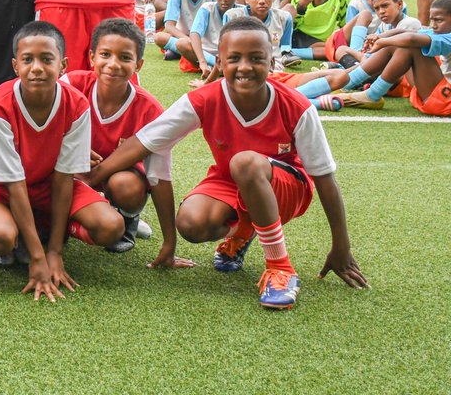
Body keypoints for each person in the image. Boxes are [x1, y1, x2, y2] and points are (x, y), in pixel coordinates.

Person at [88, 17, 369, 310]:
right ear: (220, 62)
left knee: (245, 163)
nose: (245, 66)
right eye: (234, 58)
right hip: (232, 181)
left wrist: (341, 245)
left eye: (256, 58)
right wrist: (93, 179)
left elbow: (324, 178)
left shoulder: (296, 106)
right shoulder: (204, 99)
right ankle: (244, 231)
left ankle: (280, 268)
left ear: (272, 62)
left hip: (288, 188)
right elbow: (144, 142)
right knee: (191, 223)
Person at [0, 21, 124, 301]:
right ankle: (21, 238)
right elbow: (14, 184)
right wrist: (39, 259)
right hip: (5, 188)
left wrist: (55, 252)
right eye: (28, 60)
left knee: (111, 226)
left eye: (47, 59)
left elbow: (65, 178)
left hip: (50, 184)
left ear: (63, 65)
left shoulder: (76, 105)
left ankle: (51, 234)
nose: (37, 68)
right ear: (16, 66)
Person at [62, 19, 187, 263]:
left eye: (125, 58)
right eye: (105, 54)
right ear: (91, 57)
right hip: (71, 171)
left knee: (125, 184)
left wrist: (169, 242)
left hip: (117, 181)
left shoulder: (149, 109)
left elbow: (159, 175)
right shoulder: (71, 85)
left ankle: (127, 218)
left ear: (138, 64)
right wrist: (68, 146)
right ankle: (71, 219)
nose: (113, 64)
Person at [299, 0, 437, 113]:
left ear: (399, 4)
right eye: (377, 8)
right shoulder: (385, 25)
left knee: (398, 45)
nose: (381, 11)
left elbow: (409, 37)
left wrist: (381, 42)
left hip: (403, 80)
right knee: (343, 50)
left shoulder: (411, 23)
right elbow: (373, 50)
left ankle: (350, 83)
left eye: (385, 6)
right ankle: (348, 81)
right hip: (387, 70)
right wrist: (373, 47)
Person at [323, 0, 404, 67]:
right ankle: (354, 59)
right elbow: (350, 35)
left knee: (318, 50)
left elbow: (396, 32)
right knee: (365, 14)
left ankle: (345, 66)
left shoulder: (399, 5)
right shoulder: (357, 3)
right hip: (345, 43)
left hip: (373, 47)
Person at [153, 0, 213, 68]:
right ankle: (187, 52)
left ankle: (182, 52)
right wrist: (188, 39)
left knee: (182, 45)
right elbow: (169, 26)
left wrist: (196, 42)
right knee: (159, 37)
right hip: (183, 37)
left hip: (205, 40)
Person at [188, 0, 241, 79]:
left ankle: (219, 68)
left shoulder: (241, 12)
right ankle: (213, 67)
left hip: (230, 55)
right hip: (206, 52)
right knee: (182, 44)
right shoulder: (207, 8)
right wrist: (202, 62)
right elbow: (195, 34)